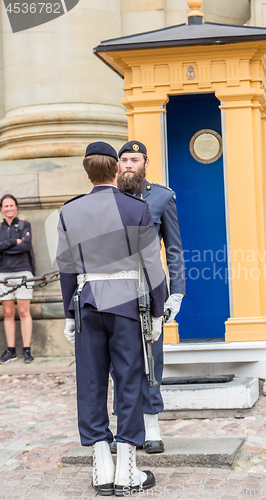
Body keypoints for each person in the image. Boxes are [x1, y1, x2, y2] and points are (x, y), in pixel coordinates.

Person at [56, 141, 165, 496]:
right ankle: (126, 472)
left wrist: (69, 312)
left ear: (88, 172)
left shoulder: (70, 211)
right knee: (129, 382)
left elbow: (66, 267)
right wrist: (159, 308)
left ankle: (102, 469)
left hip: (86, 304)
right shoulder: (134, 207)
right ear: (116, 169)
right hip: (126, 306)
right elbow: (152, 264)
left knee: (90, 383)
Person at [111, 140, 185, 454]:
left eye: (135, 160)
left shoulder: (162, 197)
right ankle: (125, 427)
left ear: (145, 163)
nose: (129, 165)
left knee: (151, 359)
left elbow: (174, 250)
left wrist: (177, 293)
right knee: (118, 361)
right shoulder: (106, 199)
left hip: (150, 290)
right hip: (113, 291)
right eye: (124, 160)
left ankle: (152, 424)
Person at [0, 194, 34, 364]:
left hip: (22, 271)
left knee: (23, 311)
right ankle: (11, 350)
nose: (9, 209)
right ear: (1, 209)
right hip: (3, 274)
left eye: (11, 205)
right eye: (5, 206)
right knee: (8, 312)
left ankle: (27, 349)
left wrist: (5, 247)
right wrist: (14, 241)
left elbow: (25, 246)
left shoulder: (24, 225)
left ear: (16, 207)